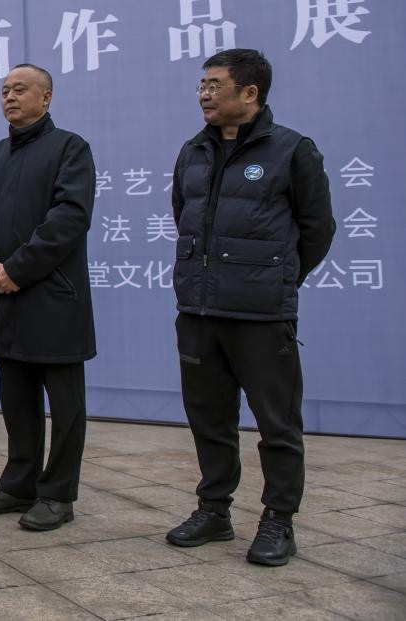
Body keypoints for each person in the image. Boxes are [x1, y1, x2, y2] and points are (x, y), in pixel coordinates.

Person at [165, 48, 335, 567]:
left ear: (250, 93)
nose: (204, 94)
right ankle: (214, 511)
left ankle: (279, 519)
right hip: (199, 313)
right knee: (209, 419)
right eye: (202, 85)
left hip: (261, 316)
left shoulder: (292, 150)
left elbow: (317, 229)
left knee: (277, 425)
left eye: (215, 85)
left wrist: (276, 278)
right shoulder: (193, 151)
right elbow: (183, 214)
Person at [0, 64, 96, 532]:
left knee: (65, 406)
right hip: (2, 297)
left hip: (52, 297)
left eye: (20, 89)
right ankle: (18, 484)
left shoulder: (70, 148)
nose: (10, 97)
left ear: (47, 97)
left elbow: (69, 218)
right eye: (4, 91)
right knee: (16, 399)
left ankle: (58, 494)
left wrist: (16, 269)